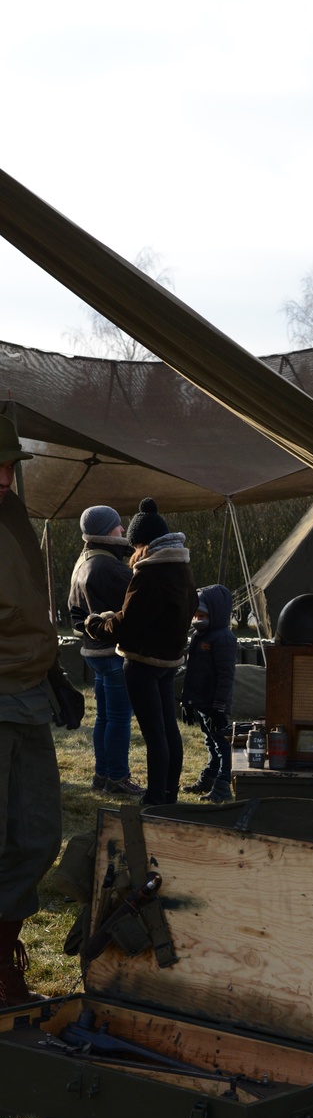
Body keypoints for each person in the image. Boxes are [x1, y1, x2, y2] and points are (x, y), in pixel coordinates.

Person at [0, 415, 61, 1005]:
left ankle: (1, 958)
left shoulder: (10, 511)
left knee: (37, 835)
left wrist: (53, 669)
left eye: (8, 468)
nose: (2, 478)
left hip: (29, 694)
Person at [84, 498, 198, 808]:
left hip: (142, 663)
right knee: (169, 731)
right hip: (168, 661)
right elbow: (191, 607)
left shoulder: (149, 573)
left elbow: (127, 623)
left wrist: (97, 625)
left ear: (141, 544)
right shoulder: (181, 568)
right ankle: (169, 794)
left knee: (154, 735)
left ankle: (154, 798)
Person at [68, 505, 142, 796]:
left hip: (93, 652)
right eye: (117, 526)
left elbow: (75, 612)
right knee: (119, 718)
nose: (123, 529)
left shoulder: (83, 560)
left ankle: (101, 775)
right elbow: (134, 609)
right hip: (112, 653)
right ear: (105, 531)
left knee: (104, 717)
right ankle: (117, 778)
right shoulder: (109, 567)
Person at [180, 584, 237, 804]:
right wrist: (187, 701)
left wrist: (219, 707)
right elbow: (192, 672)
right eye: (195, 615)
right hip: (202, 703)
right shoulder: (199, 636)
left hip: (215, 705)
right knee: (210, 743)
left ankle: (223, 786)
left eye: (201, 615)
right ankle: (209, 779)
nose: (196, 619)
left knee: (222, 746)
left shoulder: (223, 638)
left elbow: (226, 676)